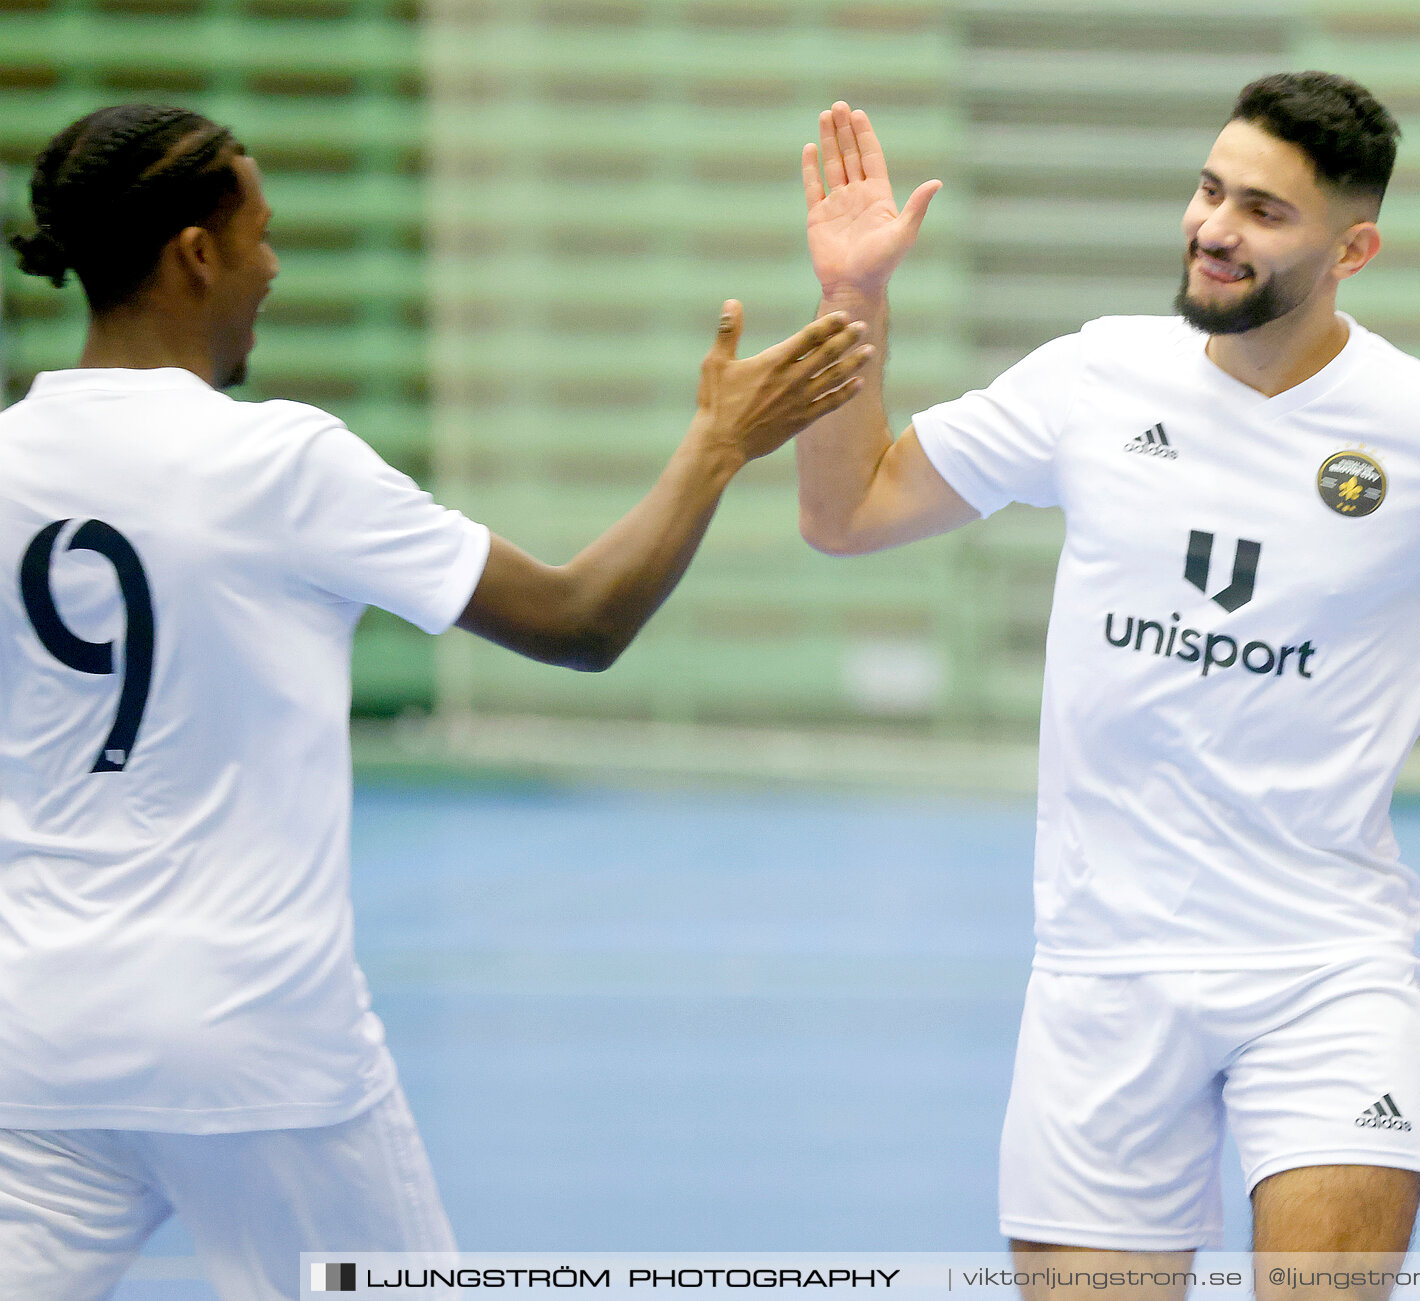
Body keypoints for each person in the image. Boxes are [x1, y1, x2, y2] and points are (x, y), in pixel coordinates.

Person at [794, 74, 1420, 1295]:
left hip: (1325, 967)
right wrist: (855, 296)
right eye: (1209, 190)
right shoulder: (1095, 377)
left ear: (1353, 248)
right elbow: (847, 510)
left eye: (1264, 210)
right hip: (1100, 974)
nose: (1213, 226)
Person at [0, 104, 870, 1299]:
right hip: (255, 1036)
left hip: (38, 1035)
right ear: (193, 254)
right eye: (258, 234)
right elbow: (580, 620)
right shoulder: (279, 462)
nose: (273, 265)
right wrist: (716, 446)